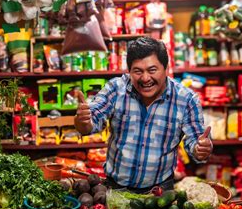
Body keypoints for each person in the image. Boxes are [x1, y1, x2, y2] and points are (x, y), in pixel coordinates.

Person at [74, 37, 212, 192]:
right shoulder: (116, 88)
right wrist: (82, 120)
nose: (145, 78)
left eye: (152, 70)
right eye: (138, 71)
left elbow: (197, 144)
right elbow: (89, 125)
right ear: (129, 71)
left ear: (165, 68)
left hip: (159, 193)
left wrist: (201, 149)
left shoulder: (186, 99)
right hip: (116, 187)